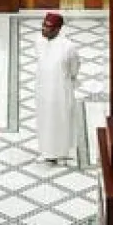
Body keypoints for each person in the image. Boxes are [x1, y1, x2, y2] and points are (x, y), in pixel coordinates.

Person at [34, 12, 80, 164]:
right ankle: (45, 151)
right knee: (45, 119)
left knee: (61, 120)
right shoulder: (38, 42)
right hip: (43, 88)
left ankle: (61, 153)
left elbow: (74, 68)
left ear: (58, 29)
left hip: (61, 90)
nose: (44, 29)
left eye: (48, 27)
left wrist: (69, 80)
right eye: (43, 25)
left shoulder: (68, 47)